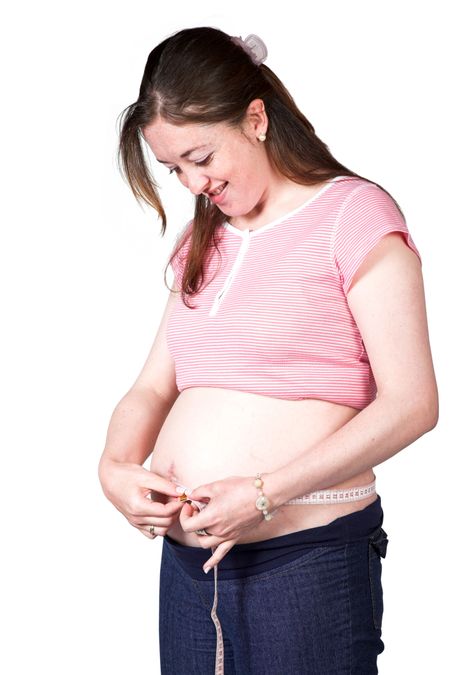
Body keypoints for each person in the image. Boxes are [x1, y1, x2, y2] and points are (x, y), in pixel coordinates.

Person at [98, 26, 439, 675]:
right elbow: (151, 387)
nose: (192, 183)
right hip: (190, 571)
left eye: (200, 157)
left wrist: (264, 491)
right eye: (174, 169)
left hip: (306, 562)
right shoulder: (207, 241)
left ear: (255, 118)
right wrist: (114, 467)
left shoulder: (354, 216)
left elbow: (413, 403)